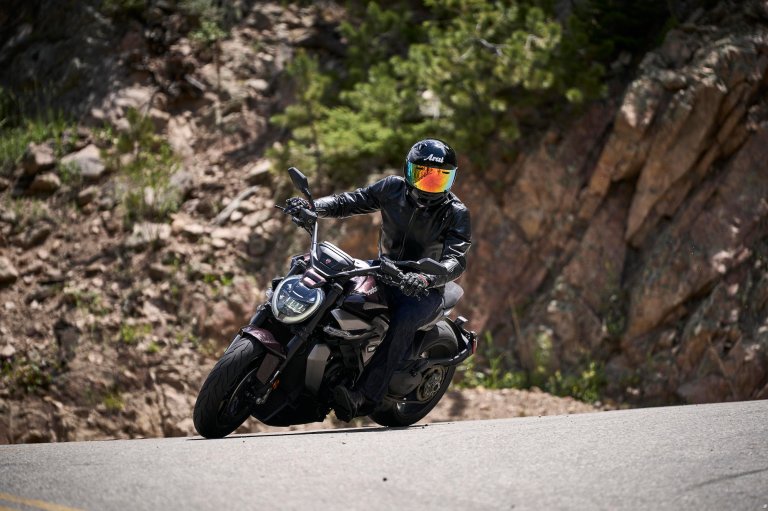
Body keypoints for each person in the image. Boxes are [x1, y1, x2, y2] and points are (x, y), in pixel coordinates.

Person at [284, 138, 472, 421]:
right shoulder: (391, 188)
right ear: (409, 172)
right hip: (384, 271)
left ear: (451, 179)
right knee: (330, 282)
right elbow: (349, 201)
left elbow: (455, 259)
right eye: (423, 175)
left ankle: (365, 396)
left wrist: (425, 277)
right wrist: (314, 208)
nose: (428, 185)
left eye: (438, 179)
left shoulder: (456, 213)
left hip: (423, 288)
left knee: (403, 322)